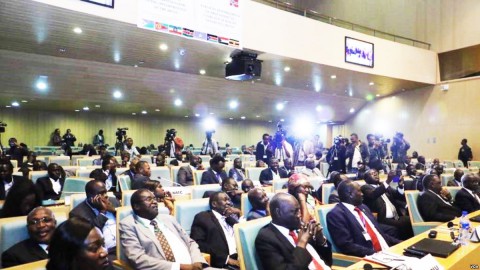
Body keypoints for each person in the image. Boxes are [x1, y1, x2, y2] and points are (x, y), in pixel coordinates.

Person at [119, 189, 208, 269]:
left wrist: (197, 261)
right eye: (149, 199)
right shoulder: (128, 225)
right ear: (136, 206)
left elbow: (190, 242)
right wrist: (180, 267)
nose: (154, 202)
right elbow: (138, 259)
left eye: (154, 199)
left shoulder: (168, 219)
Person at [255, 193, 332, 270]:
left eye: (299, 210)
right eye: (295, 211)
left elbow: (328, 262)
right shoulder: (266, 239)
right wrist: (301, 243)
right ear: (278, 212)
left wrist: (320, 239)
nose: (299, 215)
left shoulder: (298, 228)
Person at [326, 180, 400, 257]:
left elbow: (379, 234)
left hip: (388, 251)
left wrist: (400, 243)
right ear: (350, 194)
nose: (362, 194)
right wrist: (377, 254)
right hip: (370, 257)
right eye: (359, 191)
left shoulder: (363, 207)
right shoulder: (336, 215)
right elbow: (347, 246)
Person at [191, 191, 241, 269]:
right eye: (225, 200)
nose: (229, 203)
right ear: (214, 204)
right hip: (222, 263)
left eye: (229, 200)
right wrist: (226, 259)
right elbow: (198, 243)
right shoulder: (203, 217)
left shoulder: (230, 219)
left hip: (239, 257)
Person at [69, 180, 118, 259]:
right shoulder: (77, 214)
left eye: (106, 192)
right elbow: (90, 235)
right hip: (104, 252)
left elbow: (124, 222)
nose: (106, 196)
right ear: (90, 197)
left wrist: (114, 211)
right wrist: (102, 212)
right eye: (101, 193)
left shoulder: (113, 202)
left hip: (123, 245)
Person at [361, 169, 413, 240]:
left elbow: (398, 195)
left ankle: (410, 242)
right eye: (372, 173)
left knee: (410, 219)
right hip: (382, 219)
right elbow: (374, 194)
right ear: (366, 179)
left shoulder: (383, 186)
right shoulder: (365, 187)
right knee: (404, 223)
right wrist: (388, 180)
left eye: (376, 173)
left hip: (396, 216)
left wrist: (400, 186)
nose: (376, 174)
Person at [46, 216, 113, 270]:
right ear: (70, 255)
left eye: (103, 244)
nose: (104, 252)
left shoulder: (107, 267)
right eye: (94, 248)